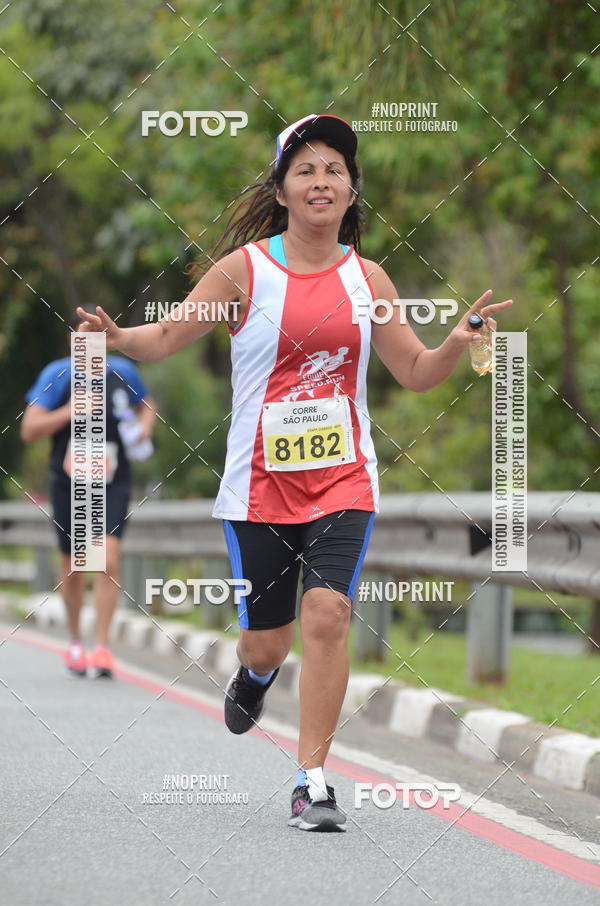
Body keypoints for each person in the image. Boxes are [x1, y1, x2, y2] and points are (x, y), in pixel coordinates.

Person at [72, 113, 513, 830]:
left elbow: (414, 371)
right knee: (267, 640)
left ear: (350, 189)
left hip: (344, 480)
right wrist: (119, 338)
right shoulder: (243, 271)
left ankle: (313, 780)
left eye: (334, 169)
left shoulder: (369, 277)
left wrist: (457, 345)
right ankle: (256, 674)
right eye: (305, 169)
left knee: (329, 615)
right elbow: (168, 335)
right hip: (259, 485)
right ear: (280, 189)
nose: (321, 181)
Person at [20, 305, 157, 678]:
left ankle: (102, 648)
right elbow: (30, 429)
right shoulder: (58, 375)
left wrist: (144, 427)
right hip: (69, 481)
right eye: (84, 338)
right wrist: (70, 411)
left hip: (113, 479)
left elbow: (147, 406)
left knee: (108, 558)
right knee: (75, 564)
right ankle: (76, 640)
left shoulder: (124, 373)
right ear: (73, 341)